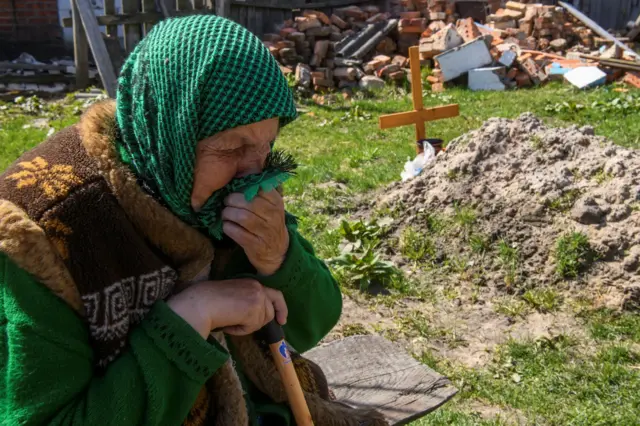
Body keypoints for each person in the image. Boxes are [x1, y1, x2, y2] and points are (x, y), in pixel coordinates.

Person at [0, 15, 386, 426]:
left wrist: (278, 257)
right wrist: (192, 318)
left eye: (268, 143)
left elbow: (313, 322)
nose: (254, 171)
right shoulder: (44, 231)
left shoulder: (206, 186)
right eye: (232, 147)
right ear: (173, 133)